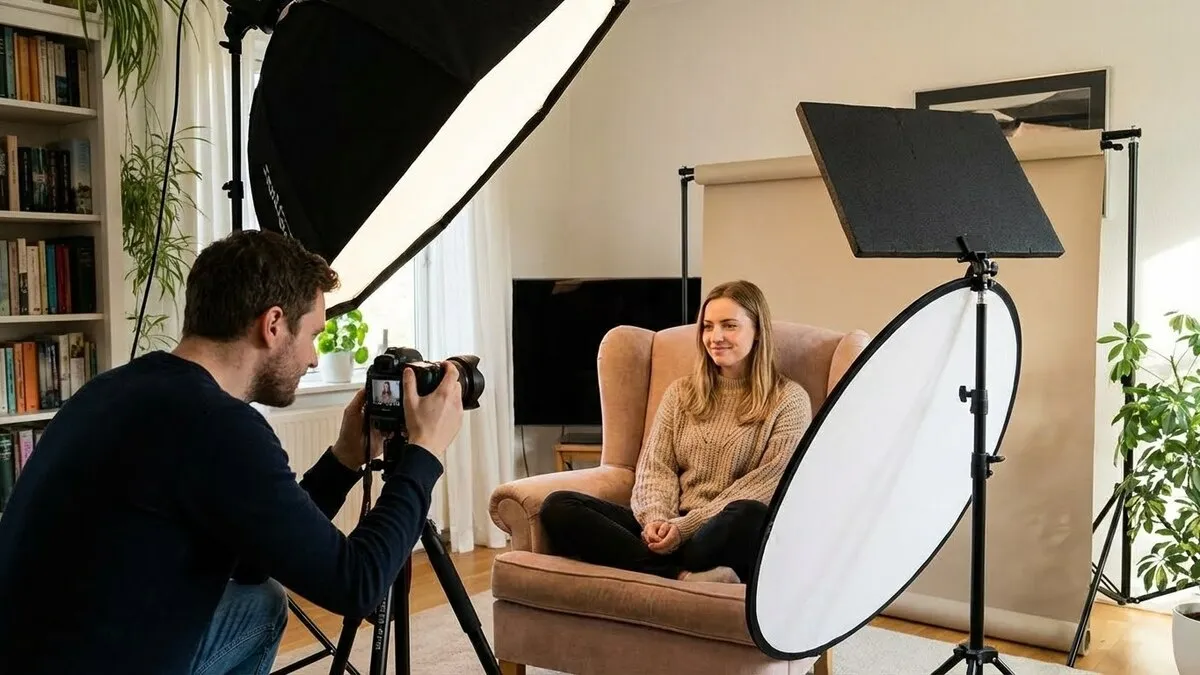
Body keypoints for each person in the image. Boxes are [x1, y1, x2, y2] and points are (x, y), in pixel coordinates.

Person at [0, 230, 466, 675]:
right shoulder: (217, 425)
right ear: (273, 324)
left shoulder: (114, 389)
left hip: (37, 654)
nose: (313, 359)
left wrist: (344, 459)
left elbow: (249, 563)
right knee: (262, 605)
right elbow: (357, 585)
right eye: (313, 335)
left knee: (259, 603)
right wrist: (424, 452)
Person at [540, 280, 812, 584]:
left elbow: (768, 484)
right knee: (558, 506)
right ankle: (680, 576)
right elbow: (655, 468)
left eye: (729, 326)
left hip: (714, 535)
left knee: (749, 514)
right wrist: (657, 520)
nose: (716, 337)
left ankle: (651, 565)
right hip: (669, 525)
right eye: (707, 327)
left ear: (758, 330)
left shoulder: (789, 400)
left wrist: (685, 528)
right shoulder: (681, 393)